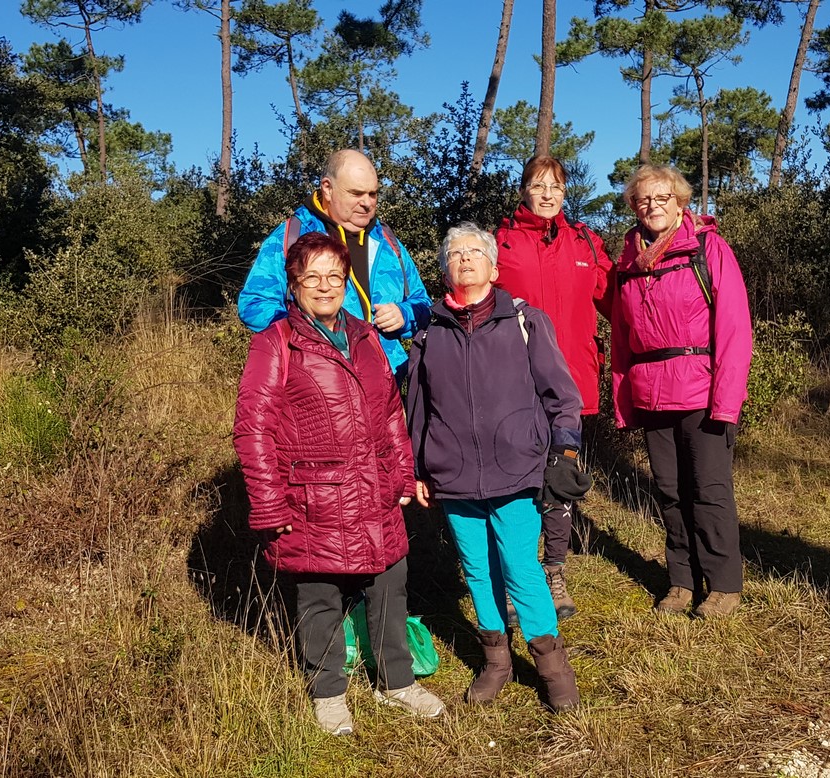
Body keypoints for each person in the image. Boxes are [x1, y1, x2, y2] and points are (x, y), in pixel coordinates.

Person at [234, 232, 446, 736]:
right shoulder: (276, 342)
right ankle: (328, 693)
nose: (326, 286)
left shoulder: (367, 336)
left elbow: (390, 412)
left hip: (373, 488)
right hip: (312, 496)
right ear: (295, 285)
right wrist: (269, 505)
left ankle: (396, 682)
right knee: (320, 597)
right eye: (313, 277)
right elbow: (254, 427)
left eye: (334, 275)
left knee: (390, 585)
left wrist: (401, 472)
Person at [404, 223, 590, 710]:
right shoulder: (428, 333)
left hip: (517, 468)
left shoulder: (526, 322)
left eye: (474, 252)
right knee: (477, 571)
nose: (464, 259)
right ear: (445, 269)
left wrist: (564, 450)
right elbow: (418, 411)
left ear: (493, 265)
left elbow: (562, 396)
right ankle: (496, 662)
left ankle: (553, 668)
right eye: (455, 254)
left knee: (521, 568)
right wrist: (419, 469)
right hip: (455, 474)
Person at [609, 165, 753, 620]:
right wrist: (623, 399)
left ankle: (724, 585)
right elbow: (620, 337)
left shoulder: (708, 249)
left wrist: (727, 401)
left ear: (681, 202)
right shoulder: (628, 264)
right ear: (634, 207)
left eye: (662, 197)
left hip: (702, 392)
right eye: (643, 200)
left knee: (709, 490)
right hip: (652, 393)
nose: (653, 206)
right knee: (669, 492)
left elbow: (734, 330)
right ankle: (681, 581)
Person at [494, 155, 613, 620]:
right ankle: (513, 573)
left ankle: (554, 570)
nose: (547, 195)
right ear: (523, 189)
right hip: (514, 385)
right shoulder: (500, 243)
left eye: (556, 187)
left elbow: (620, 299)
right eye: (538, 185)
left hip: (572, 384)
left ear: (566, 193)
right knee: (514, 483)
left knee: (559, 480)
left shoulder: (585, 241)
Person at [237, 148, 431, 373]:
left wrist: (404, 315)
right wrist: (307, 335)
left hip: (387, 388)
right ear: (327, 188)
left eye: (373, 194)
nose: (367, 203)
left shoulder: (387, 242)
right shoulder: (292, 236)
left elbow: (423, 303)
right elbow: (253, 304)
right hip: (317, 386)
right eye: (356, 194)